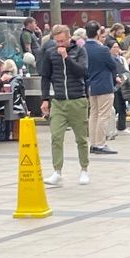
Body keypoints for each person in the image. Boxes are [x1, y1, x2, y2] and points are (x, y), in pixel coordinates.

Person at [38, 24, 90, 185]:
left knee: (81, 137)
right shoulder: (50, 53)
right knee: (56, 136)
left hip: (77, 99)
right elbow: (45, 77)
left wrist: (67, 58)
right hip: (59, 101)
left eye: (62, 41)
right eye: (57, 41)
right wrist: (45, 98)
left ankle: (84, 169)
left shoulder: (79, 51)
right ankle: (57, 171)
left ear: (69, 38)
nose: (60, 44)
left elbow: (82, 71)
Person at [84, 26, 123, 154]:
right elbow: (112, 65)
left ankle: (93, 143)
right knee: (103, 115)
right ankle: (100, 144)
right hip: (104, 85)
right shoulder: (103, 49)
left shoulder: (83, 48)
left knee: (93, 114)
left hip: (91, 84)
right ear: (97, 33)